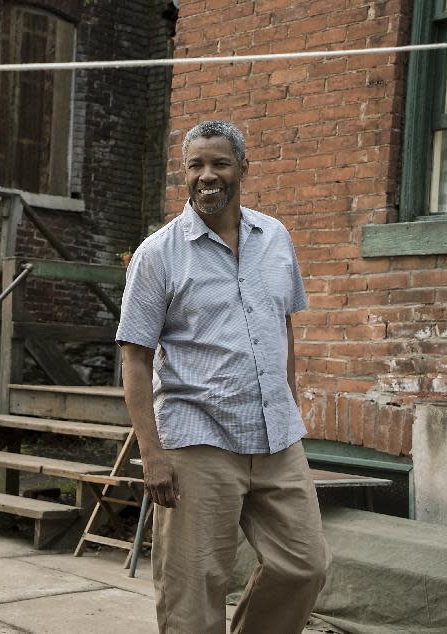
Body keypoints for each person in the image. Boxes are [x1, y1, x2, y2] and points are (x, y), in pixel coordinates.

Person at [117, 120, 329, 634]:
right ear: (184, 173)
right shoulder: (158, 254)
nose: (206, 176)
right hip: (198, 440)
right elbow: (136, 359)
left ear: (243, 169)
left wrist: (289, 401)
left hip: (276, 440)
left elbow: (284, 326)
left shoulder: (275, 237)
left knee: (305, 566)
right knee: (194, 592)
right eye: (195, 165)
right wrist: (152, 455)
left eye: (219, 163)